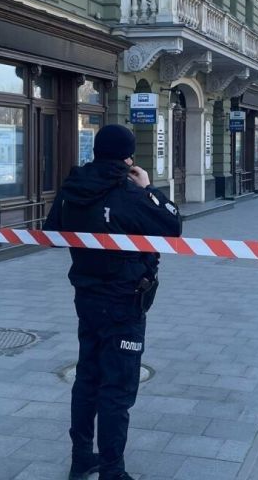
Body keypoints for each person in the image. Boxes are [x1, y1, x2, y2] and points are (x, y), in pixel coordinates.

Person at [44, 125, 183, 480]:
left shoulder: (72, 188)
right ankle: (112, 471)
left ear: (96, 151)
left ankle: (81, 459)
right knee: (117, 389)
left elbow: (52, 232)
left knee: (87, 379)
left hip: (87, 298)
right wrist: (148, 188)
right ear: (128, 157)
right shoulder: (128, 193)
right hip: (124, 302)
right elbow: (173, 225)